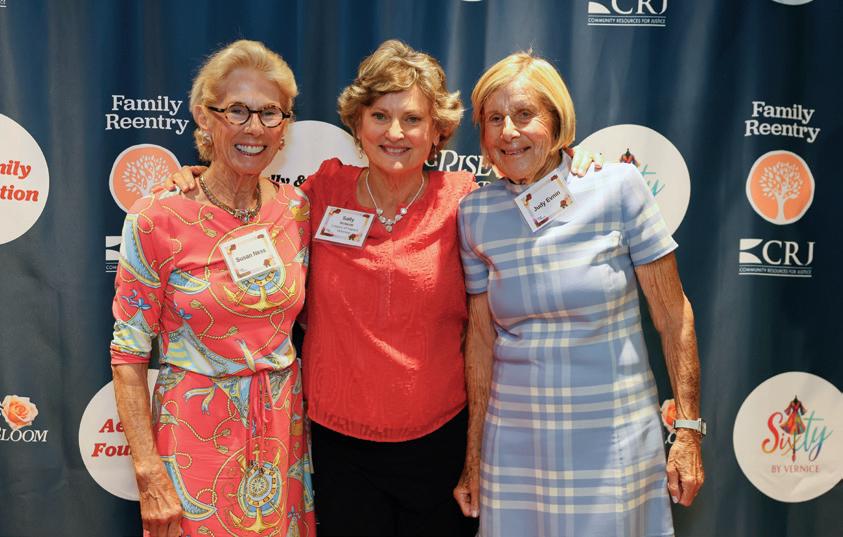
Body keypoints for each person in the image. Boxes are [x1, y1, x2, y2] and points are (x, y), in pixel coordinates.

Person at [453, 52, 705, 537]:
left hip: (614, 440)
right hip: (515, 445)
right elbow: (480, 340)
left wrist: (689, 431)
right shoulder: (475, 215)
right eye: (494, 119)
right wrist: (474, 454)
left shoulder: (617, 188)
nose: (509, 131)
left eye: (524, 114)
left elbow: (674, 316)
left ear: (556, 120)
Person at [110, 40, 315, 537]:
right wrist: (148, 472)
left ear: (284, 126)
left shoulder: (296, 209)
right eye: (237, 110)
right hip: (193, 438)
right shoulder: (156, 217)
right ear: (205, 117)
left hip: (281, 436)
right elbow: (128, 354)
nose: (254, 128)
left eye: (270, 113)